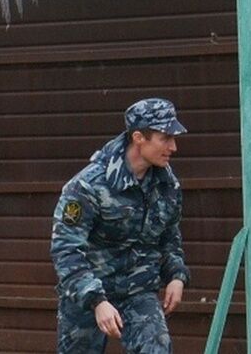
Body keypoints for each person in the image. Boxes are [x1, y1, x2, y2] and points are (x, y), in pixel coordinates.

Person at [50, 98, 191, 353]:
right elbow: (66, 250)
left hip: (139, 290)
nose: (174, 146)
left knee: (157, 347)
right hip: (87, 293)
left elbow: (170, 236)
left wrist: (176, 276)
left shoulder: (167, 185)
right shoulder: (88, 186)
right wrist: (96, 301)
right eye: (165, 138)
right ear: (139, 138)